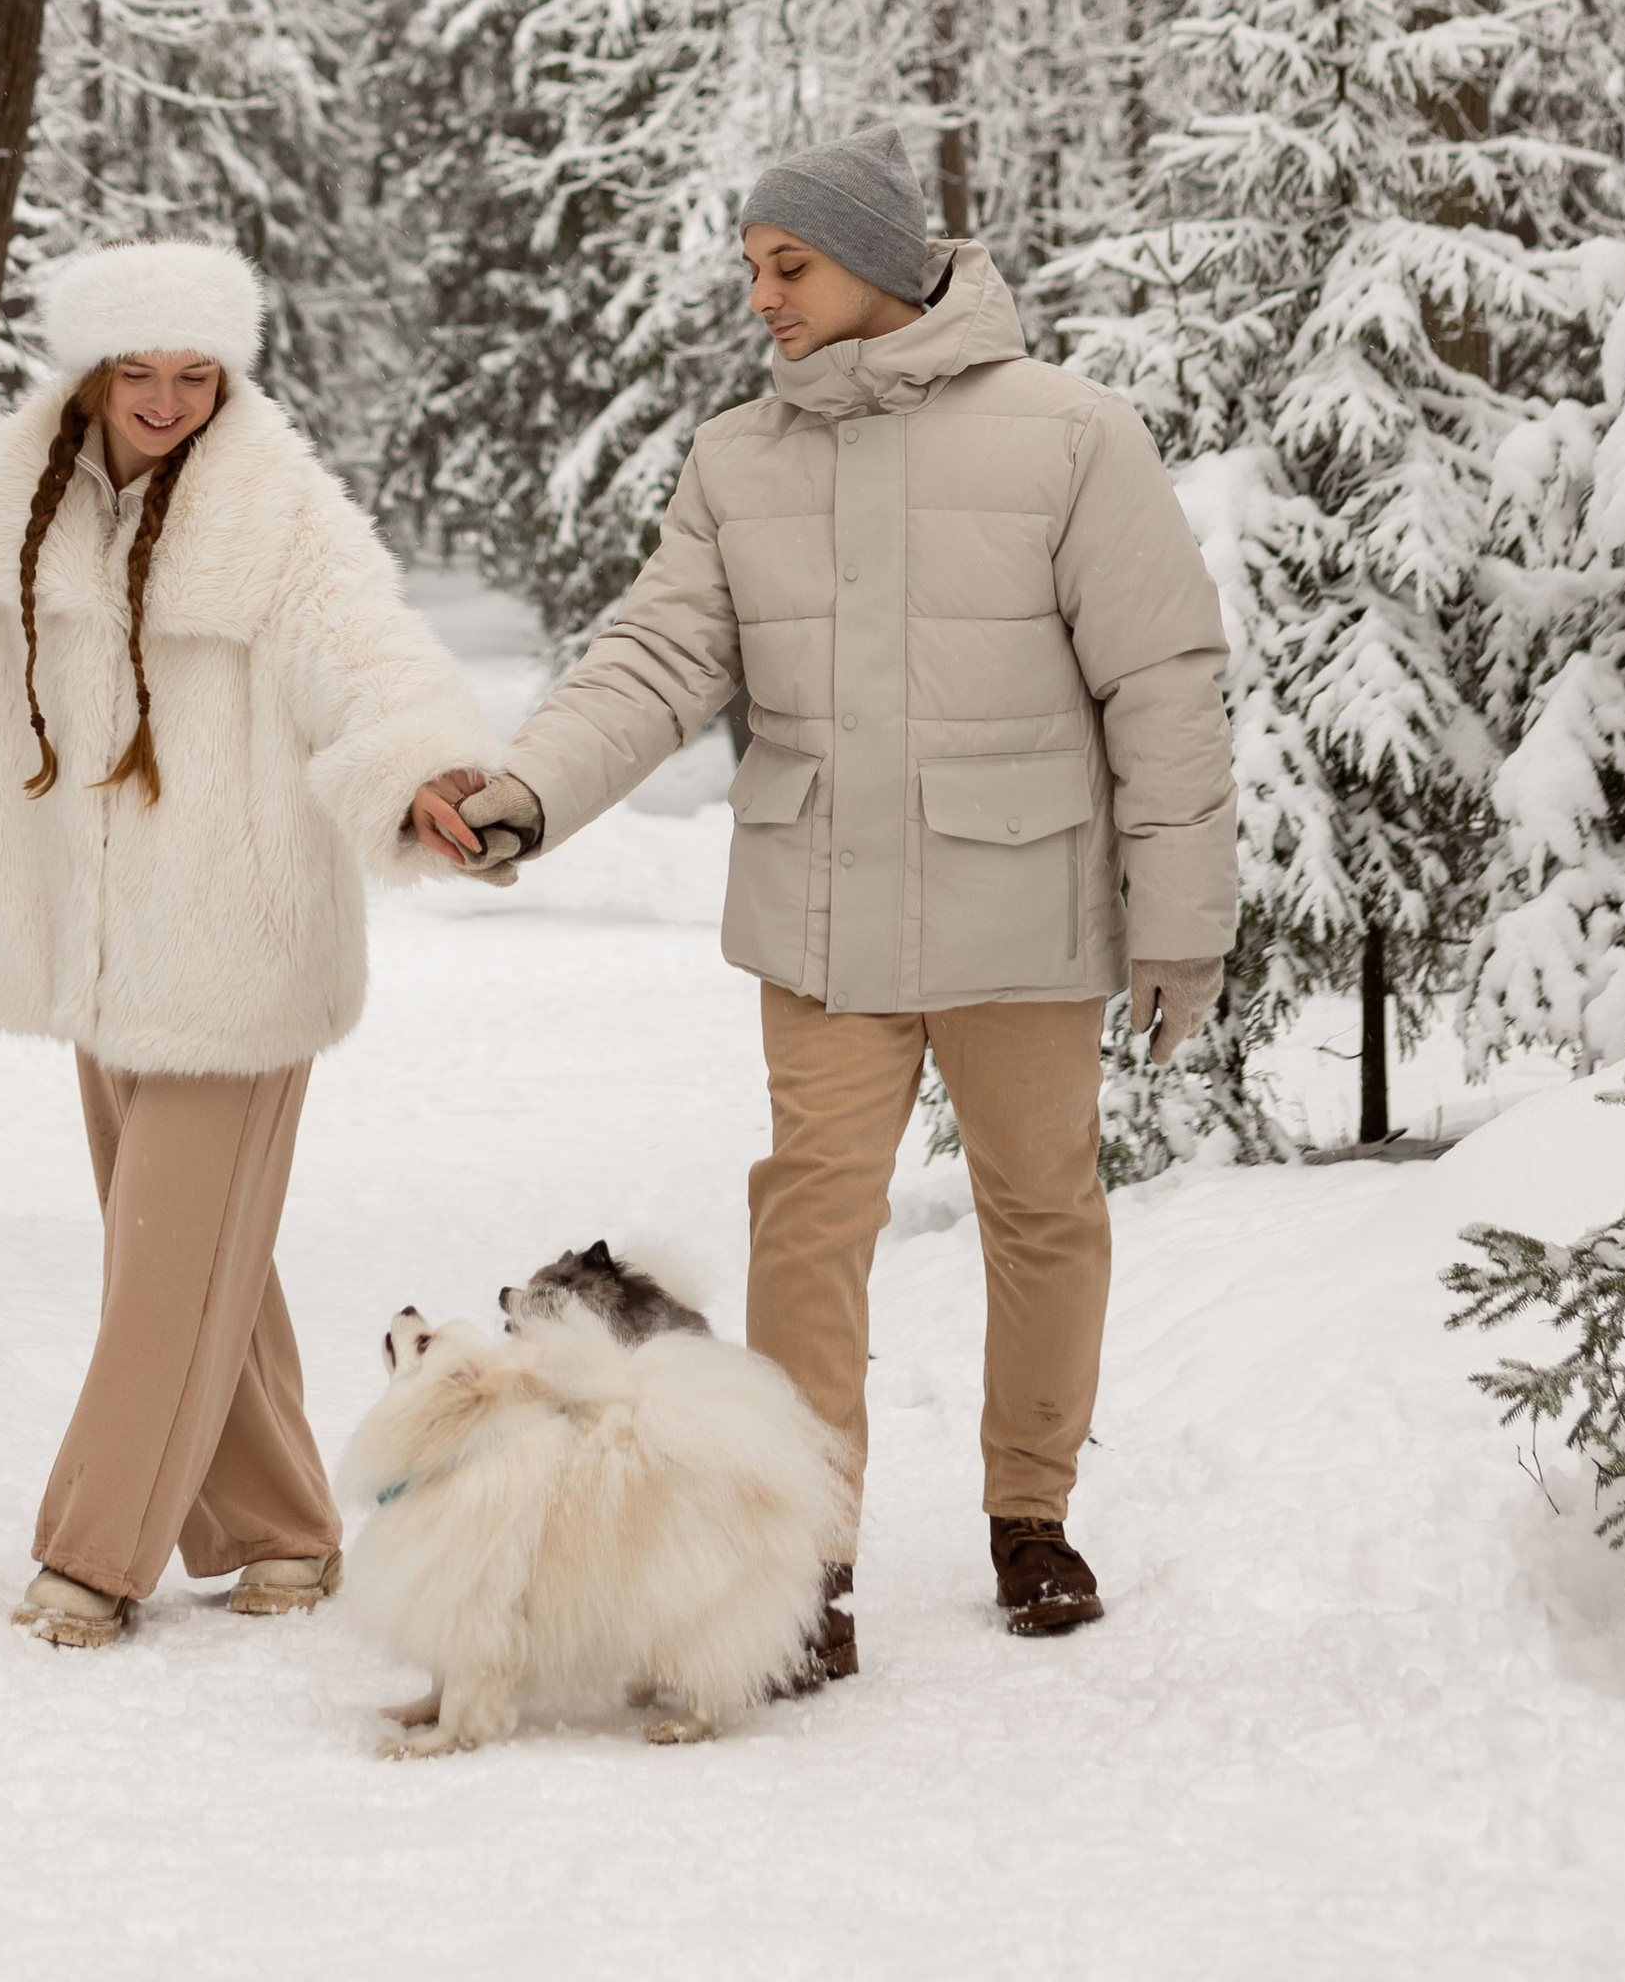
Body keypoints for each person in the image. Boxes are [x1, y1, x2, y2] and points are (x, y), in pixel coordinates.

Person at [424, 127, 1235, 1669]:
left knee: (1045, 1212)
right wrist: (530, 788)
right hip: (822, 911)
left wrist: (1182, 912)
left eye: (786, 268)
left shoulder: (1070, 435)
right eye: (750, 271)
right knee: (810, 1223)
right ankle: (807, 1556)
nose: (763, 302)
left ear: (872, 259)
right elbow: (656, 660)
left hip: (1023, 900)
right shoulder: (741, 459)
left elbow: (1162, 678)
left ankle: (1031, 1517)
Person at [0, 238, 501, 1648]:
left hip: (243, 958)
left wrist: (428, 774)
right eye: (139, 373)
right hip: (95, 962)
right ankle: (283, 1531)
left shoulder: (278, 513)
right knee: (193, 1254)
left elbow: (371, 657)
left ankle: (92, 1556)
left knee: (165, 1262)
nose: (166, 400)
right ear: (89, 375)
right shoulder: (3, 514)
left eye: (196, 374)